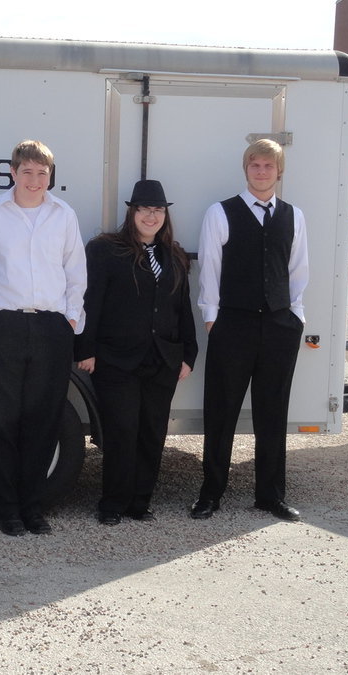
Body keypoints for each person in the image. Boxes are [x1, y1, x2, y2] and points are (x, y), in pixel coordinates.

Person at [0, 140, 87, 536]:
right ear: (13, 172)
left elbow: (75, 273)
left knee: (43, 420)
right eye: (28, 172)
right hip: (1, 327)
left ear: (50, 175)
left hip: (51, 329)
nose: (35, 180)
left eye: (43, 173)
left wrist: (70, 320)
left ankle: (33, 507)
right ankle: (6, 509)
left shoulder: (63, 215)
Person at [192, 138, 309, 522]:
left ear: (279, 172)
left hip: (279, 324)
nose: (262, 172)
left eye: (269, 166)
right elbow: (209, 269)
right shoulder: (220, 213)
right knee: (221, 411)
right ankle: (210, 494)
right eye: (255, 165)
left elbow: (297, 270)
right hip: (233, 323)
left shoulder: (294, 216)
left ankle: (270, 495)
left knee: (273, 412)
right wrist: (212, 317)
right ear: (246, 169)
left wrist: (295, 315)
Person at [74, 180, 197, 525]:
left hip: (163, 360)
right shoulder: (105, 250)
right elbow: (91, 302)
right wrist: (86, 348)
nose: (151, 216)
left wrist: (188, 354)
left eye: (158, 210)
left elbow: (182, 308)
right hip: (116, 360)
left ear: (165, 215)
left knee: (152, 432)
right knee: (121, 431)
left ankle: (139, 503)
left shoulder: (174, 255)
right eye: (144, 209)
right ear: (132, 212)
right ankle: (112, 504)